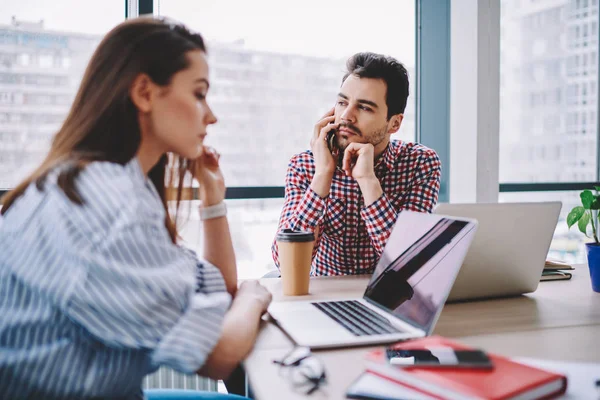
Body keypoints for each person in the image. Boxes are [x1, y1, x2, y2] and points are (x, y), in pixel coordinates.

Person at [0, 17, 271, 400]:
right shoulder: (111, 207)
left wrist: (212, 196)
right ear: (145, 93)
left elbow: (217, 291)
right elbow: (218, 355)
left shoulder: (95, 180)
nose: (211, 115)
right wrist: (255, 297)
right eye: (198, 94)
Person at [272, 52, 441, 276]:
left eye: (365, 107)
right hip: (324, 297)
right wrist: (322, 175)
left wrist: (368, 181)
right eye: (342, 102)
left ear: (394, 123)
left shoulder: (420, 164)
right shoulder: (304, 165)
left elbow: (408, 265)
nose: (346, 116)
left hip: (387, 300)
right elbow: (285, 264)